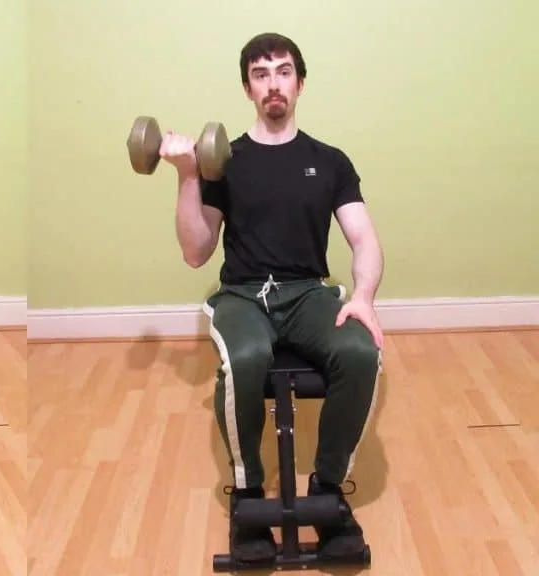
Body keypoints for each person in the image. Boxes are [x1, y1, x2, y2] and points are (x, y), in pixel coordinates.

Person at [160, 32, 383, 562]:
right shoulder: (224, 161)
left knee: (360, 351)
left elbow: (363, 238)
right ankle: (248, 492)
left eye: (283, 71)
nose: (273, 84)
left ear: (300, 83)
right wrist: (188, 175)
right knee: (246, 358)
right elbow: (196, 253)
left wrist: (366, 297)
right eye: (261, 75)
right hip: (243, 293)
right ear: (248, 89)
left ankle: (328, 490)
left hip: (308, 292)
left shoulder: (330, 161)